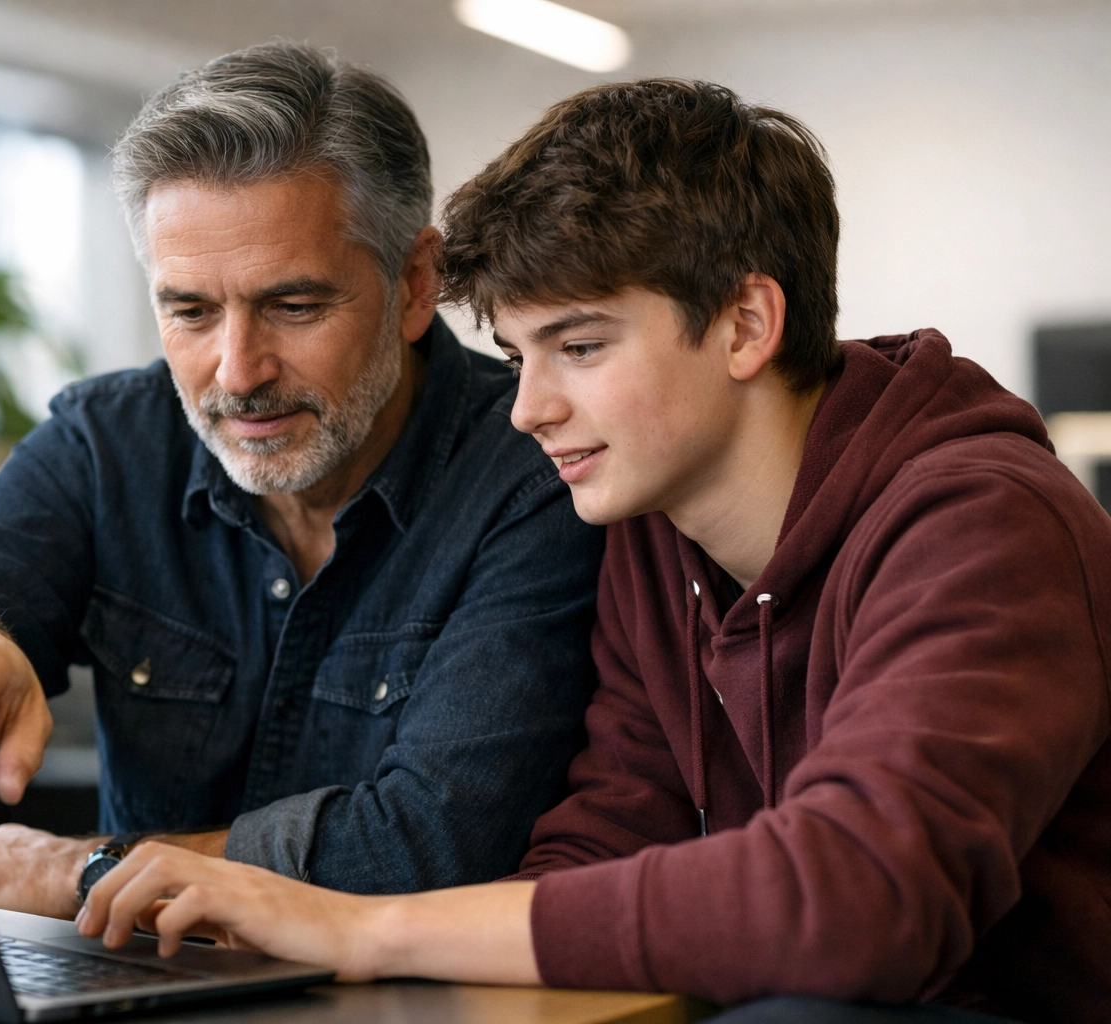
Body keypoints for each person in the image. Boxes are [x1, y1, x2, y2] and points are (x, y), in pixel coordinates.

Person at [74, 79, 1111, 1023]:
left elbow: (864, 894)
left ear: (747, 322)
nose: (527, 410)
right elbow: (600, 846)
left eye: (580, 347)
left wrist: (359, 927)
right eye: (517, 357)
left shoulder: (982, 524)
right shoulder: (653, 537)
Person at [0, 41, 602, 917]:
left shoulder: (537, 471)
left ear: (413, 283)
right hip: (129, 980)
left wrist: (84, 872)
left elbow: (430, 844)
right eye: (190, 310)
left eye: (294, 307)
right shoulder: (110, 441)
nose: (238, 370)